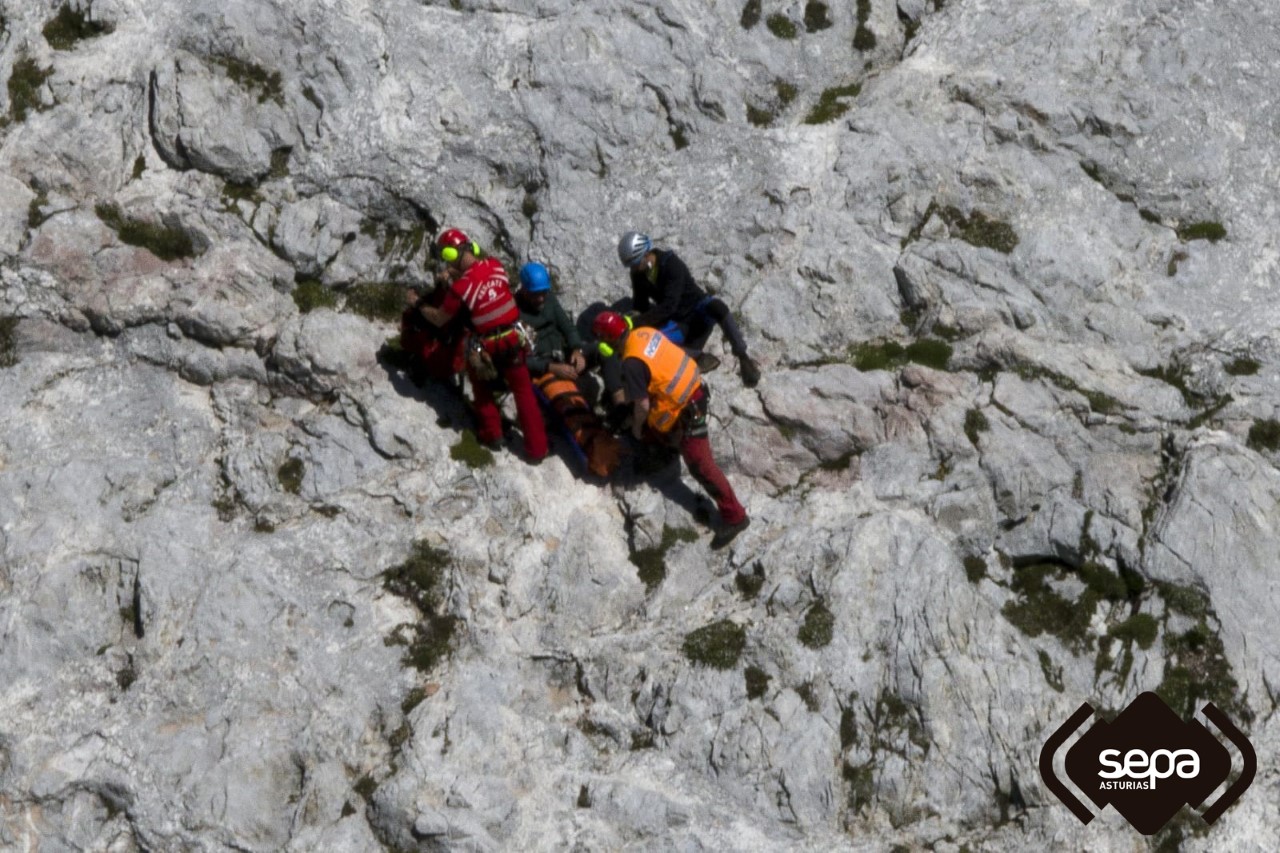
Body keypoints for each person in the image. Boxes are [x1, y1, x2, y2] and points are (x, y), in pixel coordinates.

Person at [592, 310, 751, 549]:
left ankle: (735, 516)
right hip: (694, 390)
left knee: (700, 465)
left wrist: (635, 428)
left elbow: (642, 405)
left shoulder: (631, 363)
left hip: (686, 410)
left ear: (608, 343)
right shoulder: (644, 333)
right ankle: (664, 451)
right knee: (657, 428)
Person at [416, 229, 548, 463]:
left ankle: (492, 434)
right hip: (515, 340)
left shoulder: (460, 288)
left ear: (449, 254)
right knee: (523, 391)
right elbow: (482, 279)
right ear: (472, 247)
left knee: (480, 385)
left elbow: (439, 317)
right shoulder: (496, 266)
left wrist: (418, 304)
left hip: (487, 345)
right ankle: (537, 450)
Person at [617, 231, 761, 388]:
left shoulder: (671, 264)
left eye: (636, 263)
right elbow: (641, 305)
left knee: (718, 307)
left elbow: (669, 305)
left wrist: (636, 321)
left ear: (646, 255)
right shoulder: (638, 275)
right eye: (632, 266)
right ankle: (698, 357)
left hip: (698, 310)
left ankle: (742, 355)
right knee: (656, 344)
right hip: (678, 322)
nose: (635, 268)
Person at [516, 262, 622, 476]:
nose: (541, 299)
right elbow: (520, 360)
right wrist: (552, 367)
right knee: (565, 406)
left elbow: (568, 327)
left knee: (604, 351)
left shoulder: (549, 300)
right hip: (544, 368)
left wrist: (577, 351)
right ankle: (594, 449)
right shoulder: (514, 313)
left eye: (543, 293)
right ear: (524, 290)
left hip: (565, 356)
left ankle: (620, 403)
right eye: (536, 295)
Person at [398, 279, 466, 392]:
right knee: (411, 315)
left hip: (442, 353)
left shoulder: (456, 296)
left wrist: (417, 302)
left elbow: (439, 319)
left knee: (414, 320)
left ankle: (421, 367)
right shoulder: (447, 289)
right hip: (450, 350)